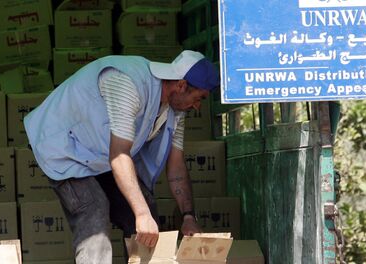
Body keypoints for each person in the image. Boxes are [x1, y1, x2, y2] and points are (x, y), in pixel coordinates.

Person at [24, 50, 220, 264]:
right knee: (94, 211)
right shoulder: (129, 83)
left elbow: (176, 165)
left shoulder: (176, 110)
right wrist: (142, 215)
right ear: (181, 85)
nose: (198, 105)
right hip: (64, 147)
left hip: (98, 155)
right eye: (199, 97)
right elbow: (119, 155)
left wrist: (188, 216)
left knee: (144, 206)